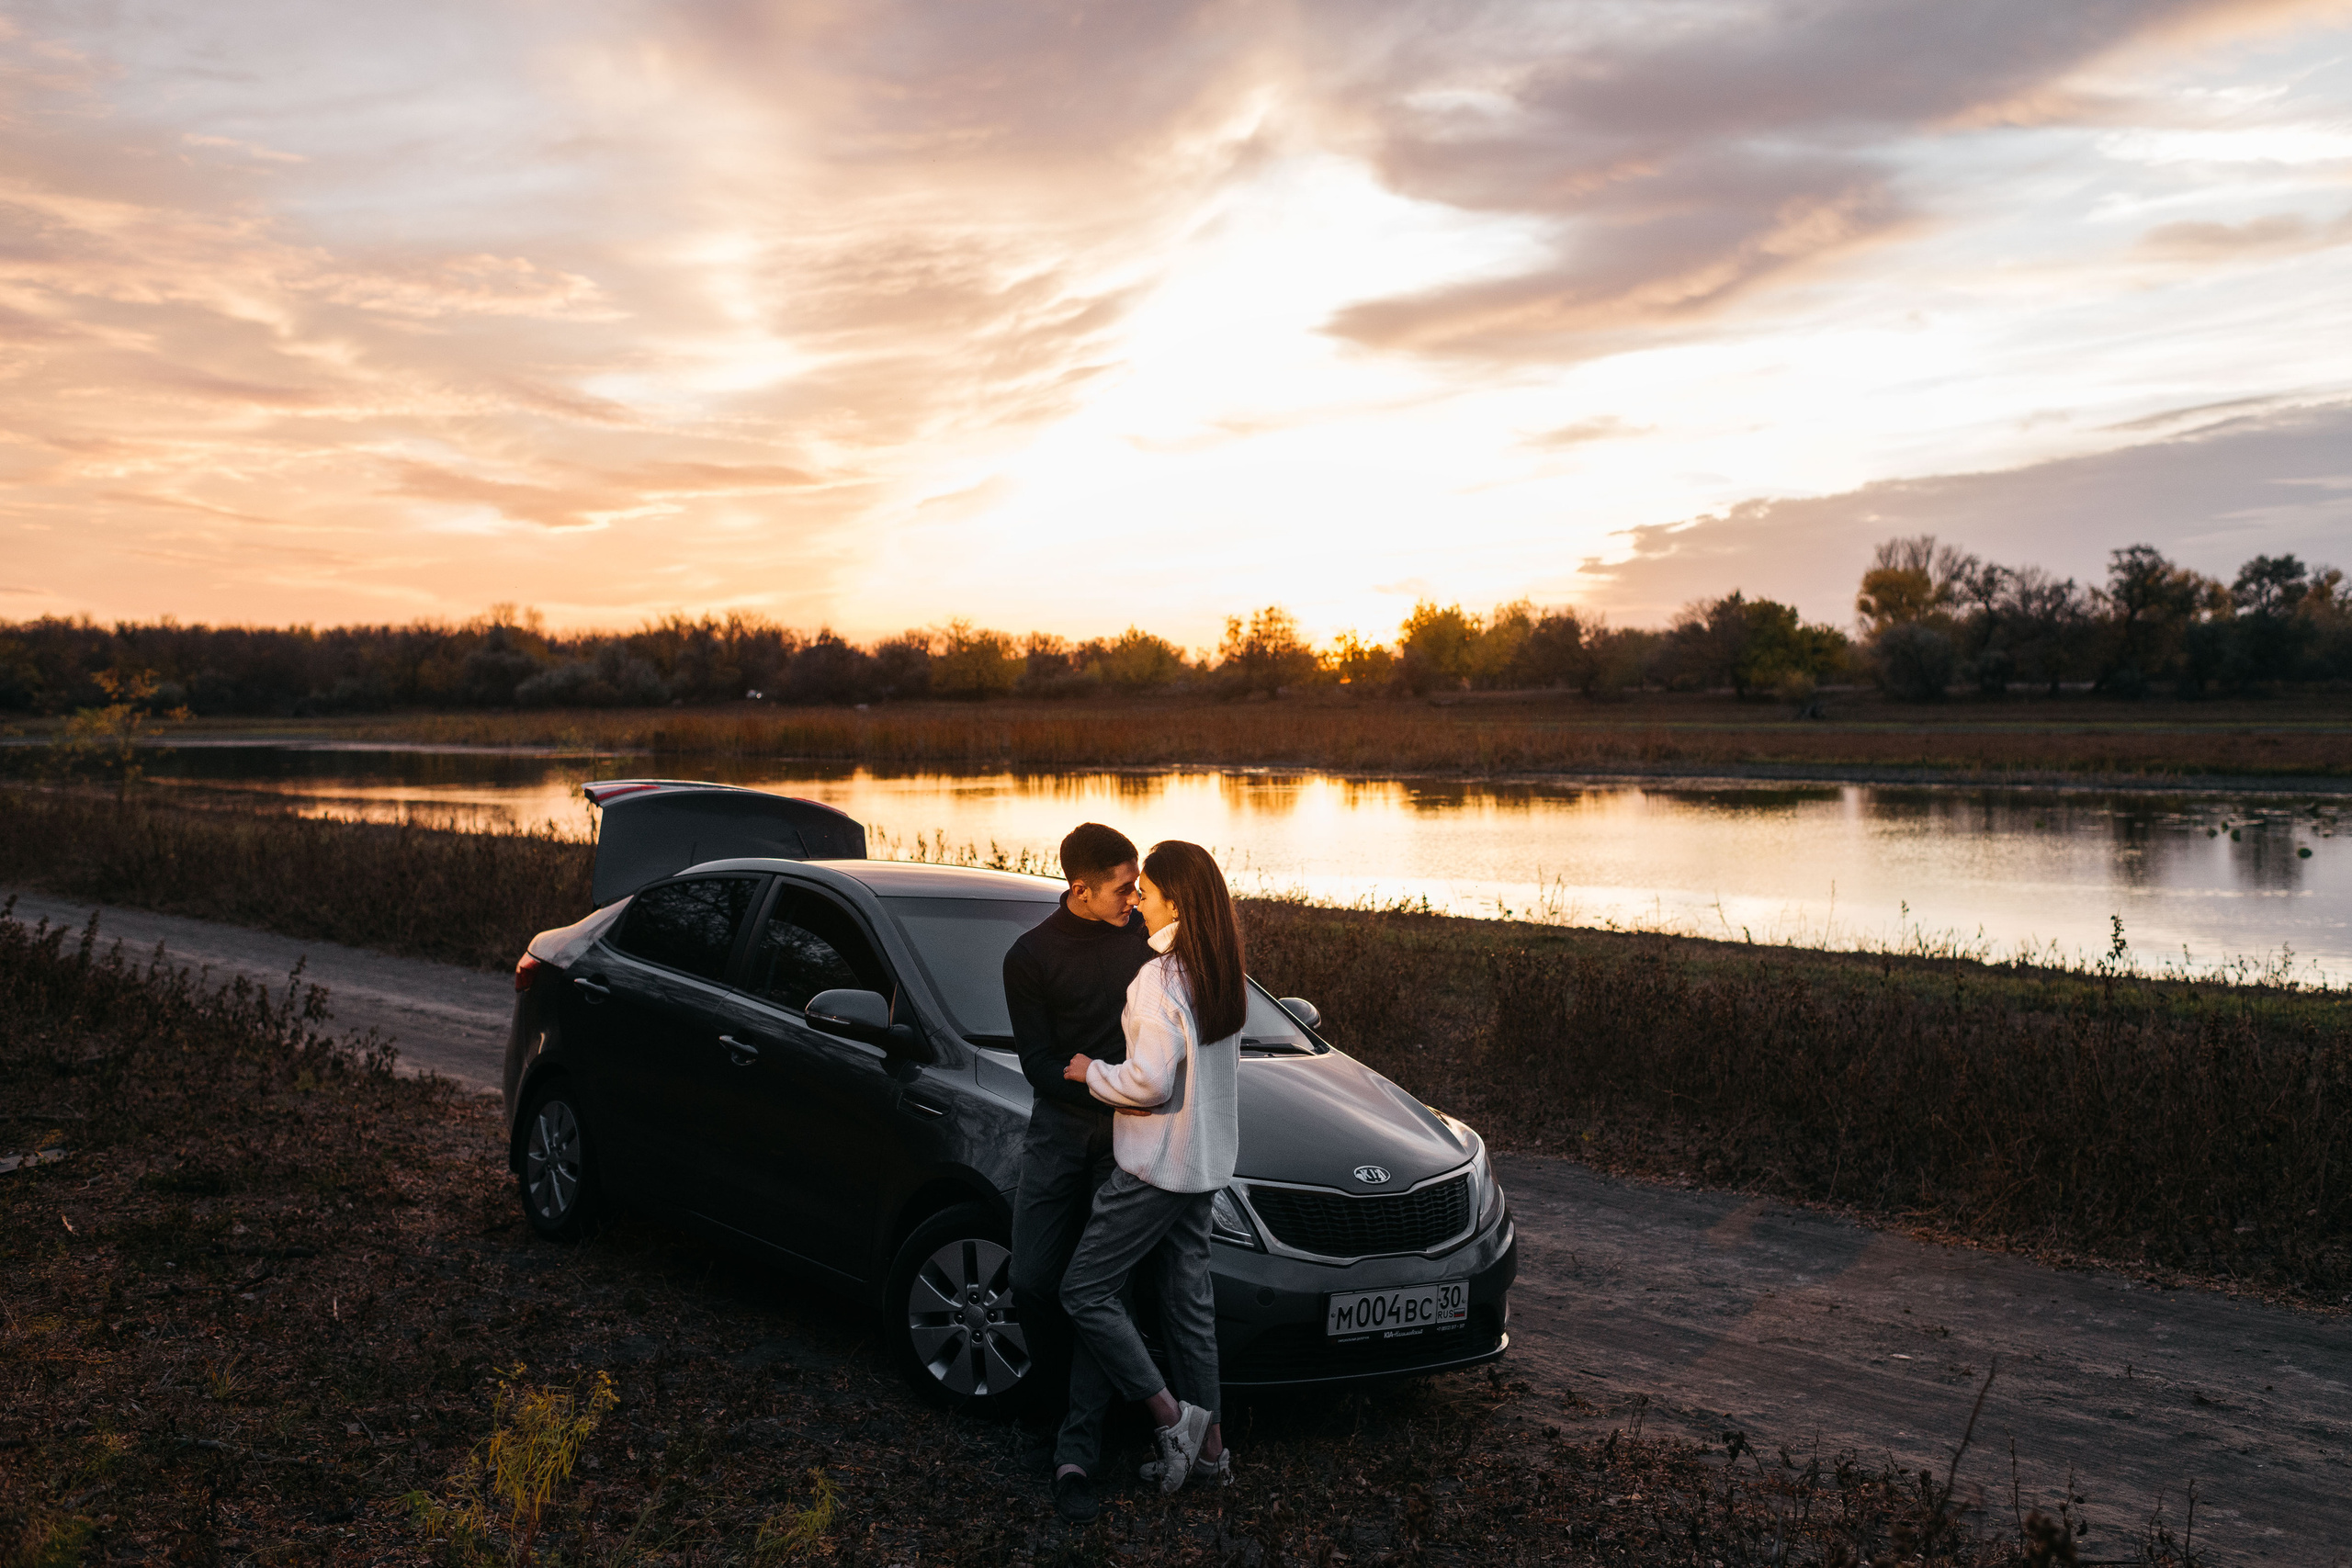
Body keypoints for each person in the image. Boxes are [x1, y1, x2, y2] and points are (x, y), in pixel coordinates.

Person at [1056, 839, 1245, 1513]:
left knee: (1084, 1288)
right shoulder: (1220, 972)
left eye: (1150, 892)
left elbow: (1148, 1081)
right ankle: (1214, 1454)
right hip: (1203, 1164)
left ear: (1177, 902)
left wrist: (1089, 1072)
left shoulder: (1158, 979)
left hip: (1157, 1164)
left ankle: (1172, 1418)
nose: (1138, 900)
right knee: (1188, 1306)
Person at [1002, 822, 1151, 1519]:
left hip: (1128, 1133)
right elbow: (1036, 1061)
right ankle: (1062, 1399)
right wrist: (1099, 1082)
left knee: (1098, 1286)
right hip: (1060, 1133)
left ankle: (1078, 1445)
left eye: (1139, 880)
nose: (1137, 894)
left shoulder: (1142, 942)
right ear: (1079, 889)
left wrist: (1111, 1083)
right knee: (1033, 1278)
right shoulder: (1029, 955)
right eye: (1124, 886)